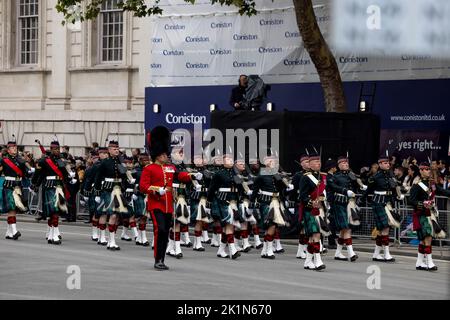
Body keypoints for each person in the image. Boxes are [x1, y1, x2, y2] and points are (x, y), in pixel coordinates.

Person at [139, 126, 194, 270]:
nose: (166, 156)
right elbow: (143, 186)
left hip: (168, 204)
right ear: (157, 155)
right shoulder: (149, 169)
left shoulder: (170, 167)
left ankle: (162, 259)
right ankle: (157, 259)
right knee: (160, 230)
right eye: (164, 155)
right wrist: (157, 191)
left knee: (165, 231)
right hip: (156, 204)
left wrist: (191, 176)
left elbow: (179, 176)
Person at [358, 154, 404, 262]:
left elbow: (392, 189)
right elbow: (368, 190)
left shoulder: (391, 174)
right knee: (385, 227)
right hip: (378, 203)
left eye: (388, 163)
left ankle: (376, 254)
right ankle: (387, 253)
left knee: (381, 229)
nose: (388, 164)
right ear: (380, 164)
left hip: (387, 203)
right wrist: (360, 201)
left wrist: (398, 196)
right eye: (385, 163)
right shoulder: (375, 177)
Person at [31, 140, 76, 244]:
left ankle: (51, 235)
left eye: (57, 149)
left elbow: (64, 174)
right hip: (49, 187)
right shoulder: (45, 161)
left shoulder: (61, 161)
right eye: (54, 149)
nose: (56, 151)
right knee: (54, 210)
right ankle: (54, 235)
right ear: (50, 149)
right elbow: (39, 174)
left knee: (56, 211)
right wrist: (34, 185)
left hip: (59, 187)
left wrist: (70, 179)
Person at [409, 162, 450, 271]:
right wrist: (423, 204)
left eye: (429, 169)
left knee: (424, 239)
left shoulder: (431, 184)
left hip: (430, 214)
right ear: (421, 171)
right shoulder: (417, 185)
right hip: (421, 214)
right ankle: (429, 262)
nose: (428, 171)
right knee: (428, 237)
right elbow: (411, 200)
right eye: (426, 169)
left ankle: (419, 263)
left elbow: (442, 191)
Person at [298, 151, 328, 270]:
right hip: (309, 210)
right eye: (316, 161)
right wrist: (311, 202)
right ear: (309, 164)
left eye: (319, 161)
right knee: (315, 233)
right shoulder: (305, 178)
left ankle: (308, 261)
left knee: (312, 237)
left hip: (320, 209)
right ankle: (318, 260)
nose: (318, 163)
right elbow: (302, 196)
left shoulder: (322, 176)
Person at [327, 156, 360, 262]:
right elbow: (333, 187)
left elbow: (355, 187)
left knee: (343, 230)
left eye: (347, 163)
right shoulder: (335, 177)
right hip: (339, 203)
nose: (346, 164)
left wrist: (361, 186)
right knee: (346, 228)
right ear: (339, 165)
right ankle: (351, 253)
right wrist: (345, 191)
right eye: (344, 163)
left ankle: (338, 253)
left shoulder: (351, 175)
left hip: (349, 203)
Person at [1, 139, 33, 240]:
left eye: (15, 147)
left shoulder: (20, 161)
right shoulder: (4, 160)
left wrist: (30, 171)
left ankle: (9, 232)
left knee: (14, 209)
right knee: (12, 208)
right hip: (8, 186)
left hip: (18, 186)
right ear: (8, 150)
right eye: (12, 147)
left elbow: (25, 174)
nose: (14, 149)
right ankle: (14, 231)